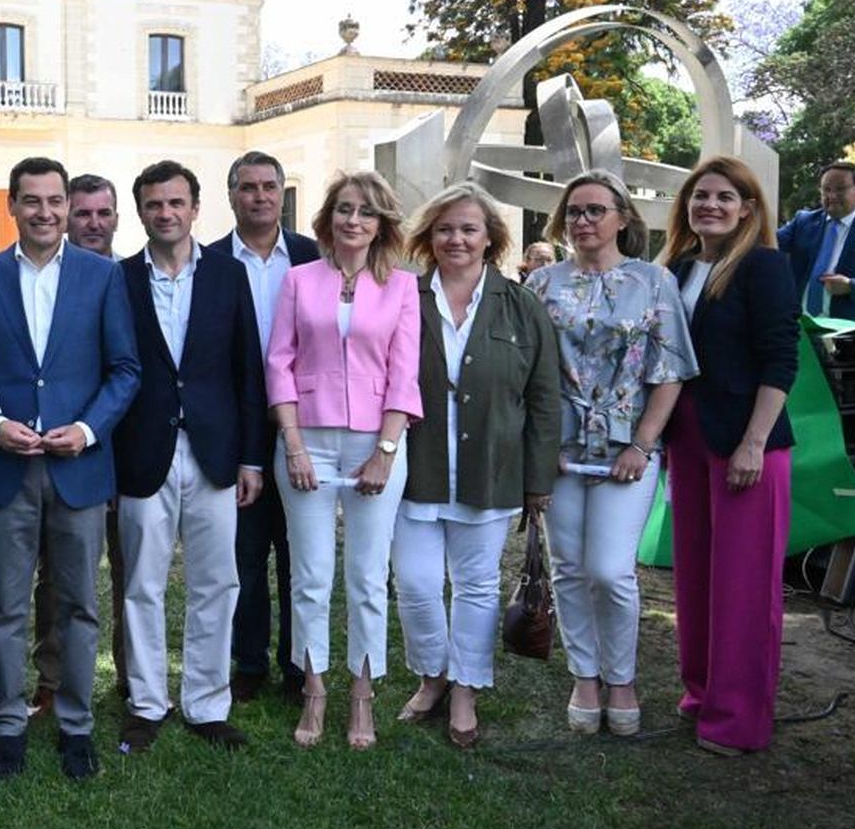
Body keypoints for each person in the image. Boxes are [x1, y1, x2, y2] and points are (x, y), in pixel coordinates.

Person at [0, 156, 140, 780]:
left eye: (54, 200)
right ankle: (8, 723)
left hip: (79, 467)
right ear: (12, 205)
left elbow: (124, 370)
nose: (44, 212)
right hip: (8, 469)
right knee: (5, 606)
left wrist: (87, 430)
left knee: (79, 605)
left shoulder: (101, 276)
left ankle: (75, 724)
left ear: (67, 205)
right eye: (31, 200)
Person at [526, 170, 696, 736]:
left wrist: (644, 444)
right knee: (569, 570)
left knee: (611, 571)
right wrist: (538, 442)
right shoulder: (543, 284)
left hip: (627, 446)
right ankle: (585, 677)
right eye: (574, 211)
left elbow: (669, 371)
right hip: (560, 447)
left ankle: (621, 678)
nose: (582, 221)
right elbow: (528, 370)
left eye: (595, 210)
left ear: (623, 218)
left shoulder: (653, 282)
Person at [392, 184, 561, 748]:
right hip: (417, 468)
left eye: (468, 228)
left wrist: (537, 479)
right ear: (428, 237)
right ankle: (432, 673)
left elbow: (543, 396)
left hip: (492, 469)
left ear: (490, 237)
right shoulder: (403, 297)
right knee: (415, 584)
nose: (456, 238)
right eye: (445, 228)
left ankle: (465, 685)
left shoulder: (521, 303)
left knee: (476, 585)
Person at [113, 160, 265, 754]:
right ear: (142, 211)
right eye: (154, 204)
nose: (166, 213)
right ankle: (147, 702)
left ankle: (207, 704)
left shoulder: (228, 276)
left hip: (215, 453)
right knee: (141, 584)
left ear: (196, 208)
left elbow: (247, 371)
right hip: (142, 452)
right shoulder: (120, 279)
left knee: (216, 582)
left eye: (176, 203)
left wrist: (253, 458)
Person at [267, 171, 421, 750]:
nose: (353, 220)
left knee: (365, 575)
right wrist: (293, 443)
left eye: (366, 212)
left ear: (382, 224)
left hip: (374, 445)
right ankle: (314, 689)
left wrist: (385, 451)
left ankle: (362, 692)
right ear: (328, 218)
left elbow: (404, 375)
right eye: (344, 209)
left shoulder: (402, 288)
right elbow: (279, 363)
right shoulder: (299, 280)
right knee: (308, 575)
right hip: (306, 439)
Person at [657, 157, 798, 755]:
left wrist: (754, 443)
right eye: (699, 196)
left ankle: (736, 720)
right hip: (688, 436)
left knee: (743, 585)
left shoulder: (763, 266)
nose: (709, 205)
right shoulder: (680, 267)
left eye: (723, 196)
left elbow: (780, 358)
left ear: (748, 208)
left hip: (748, 444)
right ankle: (700, 693)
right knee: (694, 576)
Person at [207, 150, 320, 706]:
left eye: (268, 186)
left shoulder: (311, 258)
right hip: (237, 429)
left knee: (301, 555)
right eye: (247, 187)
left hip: (306, 426)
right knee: (244, 557)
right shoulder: (207, 263)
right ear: (231, 196)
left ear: (282, 194)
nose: (259, 196)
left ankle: (300, 665)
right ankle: (248, 661)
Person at [60, 171, 129, 707]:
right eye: (81, 213)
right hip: (66, 454)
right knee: (55, 578)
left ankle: (132, 677)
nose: (92, 223)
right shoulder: (49, 280)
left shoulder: (132, 277)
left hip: (131, 453)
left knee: (131, 574)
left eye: (102, 213)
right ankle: (50, 676)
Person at [777, 160, 855, 321]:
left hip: (849, 335)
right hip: (798, 328)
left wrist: (852, 286)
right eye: (826, 189)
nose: (832, 196)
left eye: (840, 189)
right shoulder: (803, 222)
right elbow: (768, 244)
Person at [67, 173, 121, 259]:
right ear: (65, 222)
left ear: (116, 222)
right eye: (84, 214)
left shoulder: (131, 272)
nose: (94, 225)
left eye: (104, 214)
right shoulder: (47, 271)